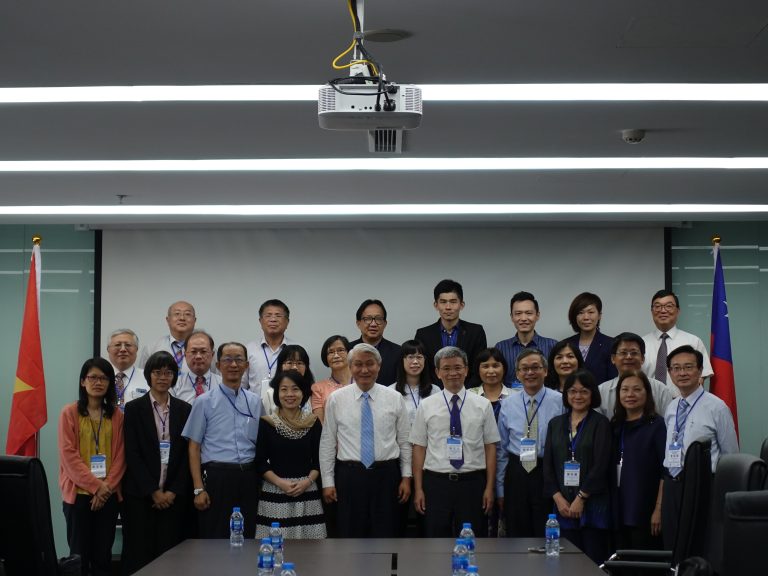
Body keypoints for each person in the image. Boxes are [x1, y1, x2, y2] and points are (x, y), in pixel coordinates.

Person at [318, 343, 412, 537]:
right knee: (350, 534)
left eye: (370, 364)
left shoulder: (394, 398)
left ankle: (386, 569)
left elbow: (404, 441)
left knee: (386, 533)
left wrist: (406, 477)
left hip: (387, 476)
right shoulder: (337, 399)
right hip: (349, 476)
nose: (364, 370)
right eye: (358, 364)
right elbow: (327, 442)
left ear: (379, 366)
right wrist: (328, 481)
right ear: (350, 367)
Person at [410, 346, 500, 537]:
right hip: (436, 483)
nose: (453, 373)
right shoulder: (426, 405)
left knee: (473, 540)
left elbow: (490, 447)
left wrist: (489, 488)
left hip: (472, 482)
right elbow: (419, 448)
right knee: (435, 541)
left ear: (467, 370)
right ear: (437, 372)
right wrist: (418, 489)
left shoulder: (482, 405)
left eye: (458, 367)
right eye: (447, 368)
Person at [661, 345, 738, 550]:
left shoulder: (717, 407)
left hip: (704, 484)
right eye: (676, 368)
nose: (682, 373)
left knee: (699, 543)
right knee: (673, 543)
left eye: (688, 367)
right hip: (673, 483)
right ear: (670, 373)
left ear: (700, 370)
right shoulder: (672, 407)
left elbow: (730, 456)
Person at [181, 342, 262, 538]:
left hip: (249, 477)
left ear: (246, 366)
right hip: (218, 477)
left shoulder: (255, 401)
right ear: (218, 365)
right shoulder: (204, 401)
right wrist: (198, 488)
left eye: (239, 359)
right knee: (215, 536)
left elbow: (260, 442)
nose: (233, 365)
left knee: (249, 534)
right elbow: (194, 447)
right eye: (227, 359)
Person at [122, 351, 192, 575]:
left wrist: (172, 491)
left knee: (172, 556)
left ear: (174, 376)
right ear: (149, 375)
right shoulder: (133, 410)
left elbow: (185, 456)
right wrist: (153, 491)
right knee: (139, 555)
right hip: (141, 497)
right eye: (157, 372)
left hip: (174, 497)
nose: (163, 377)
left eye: (168, 372)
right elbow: (132, 454)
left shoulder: (184, 409)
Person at [58, 357, 125, 576]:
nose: (98, 382)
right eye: (93, 377)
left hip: (108, 494)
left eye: (104, 378)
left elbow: (120, 456)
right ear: (82, 382)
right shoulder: (69, 413)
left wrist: (105, 488)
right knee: (79, 556)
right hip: (78, 494)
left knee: (102, 556)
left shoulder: (116, 415)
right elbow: (69, 457)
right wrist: (96, 486)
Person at [543, 369, 611, 564]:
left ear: (593, 394)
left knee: (591, 561)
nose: (578, 396)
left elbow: (600, 465)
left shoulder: (601, 423)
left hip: (592, 505)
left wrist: (581, 498)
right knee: (564, 562)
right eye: (572, 391)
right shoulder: (555, 424)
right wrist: (558, 498)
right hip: (561, 505)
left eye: (584, 391)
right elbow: (548, 465)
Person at [496, 349, 564, 538]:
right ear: (517, 373)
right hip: (516, 472)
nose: (530, 373)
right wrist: (499, 489)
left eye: (535, 367)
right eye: (524, 369)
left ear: (546, 371)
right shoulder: (508, 404)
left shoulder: (560, 401)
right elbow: (501, 450)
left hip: (547, 470)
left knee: (545, 528)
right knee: (517, 529)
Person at [254, 370, 326, 539]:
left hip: (307, 493)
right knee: (275, 549)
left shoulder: (313, 422)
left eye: (295, 389)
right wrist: (281, 483)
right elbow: (260, 462)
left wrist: (306, 482)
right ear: (277, 394)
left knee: (311, 553)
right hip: (275, 493)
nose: (289, 394)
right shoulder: (267, 423)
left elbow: (319, 461)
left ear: (303, 392)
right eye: (284, 389)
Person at [610, 371, 666, 551]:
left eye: (636, 389)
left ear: (647, 393)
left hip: (645, 511)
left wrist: (659, 509)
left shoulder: (657, 425)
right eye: (625, 390)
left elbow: (665, 471)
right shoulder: (615, 426)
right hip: (617, 509)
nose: (630, 395)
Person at [414, 279, 487, 386]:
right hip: (434, 395)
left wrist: (463, 392)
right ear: (436, 305)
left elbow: (479, 368)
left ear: (461, 305)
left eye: (453, 302)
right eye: (443, 302)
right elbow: (424, 370)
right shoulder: (423, 334)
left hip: (467, 393)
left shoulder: (476, 331)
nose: (448, 307)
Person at [642, 290, 714, 384]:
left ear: (677, 311)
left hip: (683, 398)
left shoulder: (693, 341)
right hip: (649, 398)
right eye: (657, 306)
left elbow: (700, 377)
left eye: (668, 306)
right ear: (652, 311)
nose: (663, 310)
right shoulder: (641, 344)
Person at [598, 333, 676, 418]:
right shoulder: (601, 391)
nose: (628, 357)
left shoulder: (661, 390)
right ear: (613, 358)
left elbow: (669, 424)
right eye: (623, 353)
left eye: (634, 353)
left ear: (642, 358)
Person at [495, 291, 558, 388]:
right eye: (518, 313)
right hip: (511, 401)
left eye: (529, 313)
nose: (523, 318)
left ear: (537, 315)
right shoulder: (501, 347)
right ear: (512, 317)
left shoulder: (552, 346)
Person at [245, 299, 297, 396]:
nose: (273, 319)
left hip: (289, 408)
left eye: (278, 315)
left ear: (287, 322)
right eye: (268, 315)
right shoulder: (248, 350)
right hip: (254, 409)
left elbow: (308, 383)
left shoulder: (297, 350)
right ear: (260, 321)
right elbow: (241, 385)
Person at [564, 292, 617, 384]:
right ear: (574, 316)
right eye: (580, 313)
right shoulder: (566, 345)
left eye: (591, 312)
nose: (586, 317)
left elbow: (613, 381)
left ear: (599, 315)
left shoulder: (611, 344)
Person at [351, 299, 402, 386]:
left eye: (378, 319)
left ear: (385, 323)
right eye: (368, 319)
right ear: (358, 323)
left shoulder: (398, 352)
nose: (373, 324)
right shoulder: (348, 350)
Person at [390, 339, 440, 425]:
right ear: (402, 360)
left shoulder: (435, 391)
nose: (415, 361)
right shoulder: (391, 391)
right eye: (411, 357)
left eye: (419, 357)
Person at [138, 301, 196, 369]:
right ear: (168, 320)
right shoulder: (151, 349)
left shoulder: (206, 349)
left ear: (194, 320)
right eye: (177, 314)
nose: (182, 318)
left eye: (187, 314)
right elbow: (143, 377)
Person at [311, 335, 354, 425]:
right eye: (331, 352)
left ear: (350, 353)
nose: (336, 355)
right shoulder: (318, 388)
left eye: (340, 350)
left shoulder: (362, 383)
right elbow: (320, 423)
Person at [261, 345, 315, 416]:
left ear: (306, 367)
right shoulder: (270, 394)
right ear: (280, 366)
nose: (295, 367)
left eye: (299, 363)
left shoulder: (313, 392)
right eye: (289, 362)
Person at [173, 330, 221, 404]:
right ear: (185, 355)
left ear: (212, 355)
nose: (198, 356)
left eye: (203, 351)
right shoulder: (175, 385)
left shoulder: (222, 384)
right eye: (193, 352)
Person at [107, 328, 148, 410]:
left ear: (136, 349)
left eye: (128, 345)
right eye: (117, 345)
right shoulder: (101, 377)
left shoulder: (148, 377)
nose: (123, 349)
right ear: (108, 349)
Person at [468, 347, 512, 421]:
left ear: (504, 369)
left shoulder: (515, 396)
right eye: (485, 366)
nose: (491, 371)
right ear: (478, 370)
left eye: (495, 366)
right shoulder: (468, 396)